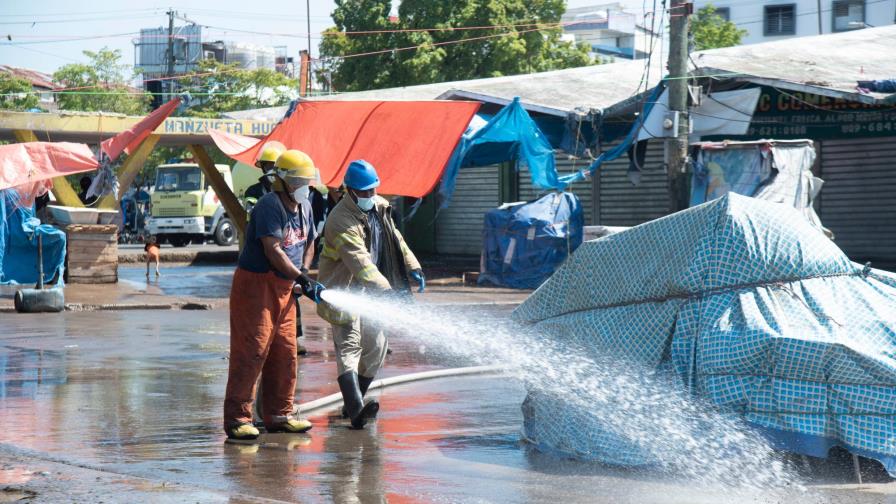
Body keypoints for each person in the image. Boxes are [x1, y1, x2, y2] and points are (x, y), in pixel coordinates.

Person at [317, 159, 425, 429]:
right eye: (364, 192)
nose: (370, 195)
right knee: (350, 346)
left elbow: (395, 238)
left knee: (376, 348)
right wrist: (388, 291)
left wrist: (413, 266)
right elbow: (360, 262)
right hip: (345, 288)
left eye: (373, 190)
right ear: (350, 191)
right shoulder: (339, 219)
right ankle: (355, 410)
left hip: (373, 290)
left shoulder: (380, 207)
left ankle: (354, 403)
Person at [223, 149, 320, 440]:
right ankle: (238, 418)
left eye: (308, 180)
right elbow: (273, 249)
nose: (306, 186)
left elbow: (310, 241)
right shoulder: (269, 205)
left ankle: (280, 414)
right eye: (301, 181)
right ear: (284, 181)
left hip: (284, 286)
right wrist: (299, 275)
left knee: (285, 352)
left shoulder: (305, 206)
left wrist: (303, 271)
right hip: (256, 287)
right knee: (252, 351)